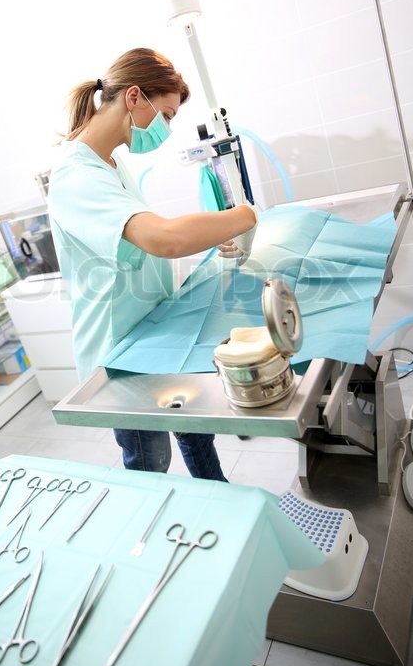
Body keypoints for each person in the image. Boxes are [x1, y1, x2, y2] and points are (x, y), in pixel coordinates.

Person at [47, 48, 258, 481]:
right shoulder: (76, 176)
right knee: (149, 461)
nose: (165, 128)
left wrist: (214, 234)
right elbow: (163, 239)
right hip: (120, 348)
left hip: (152, 327)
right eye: (165, 114)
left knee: (195, 429)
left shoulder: (109, 160)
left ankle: (217, 495)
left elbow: (136, 239)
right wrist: (244, 215)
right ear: (134, 97)